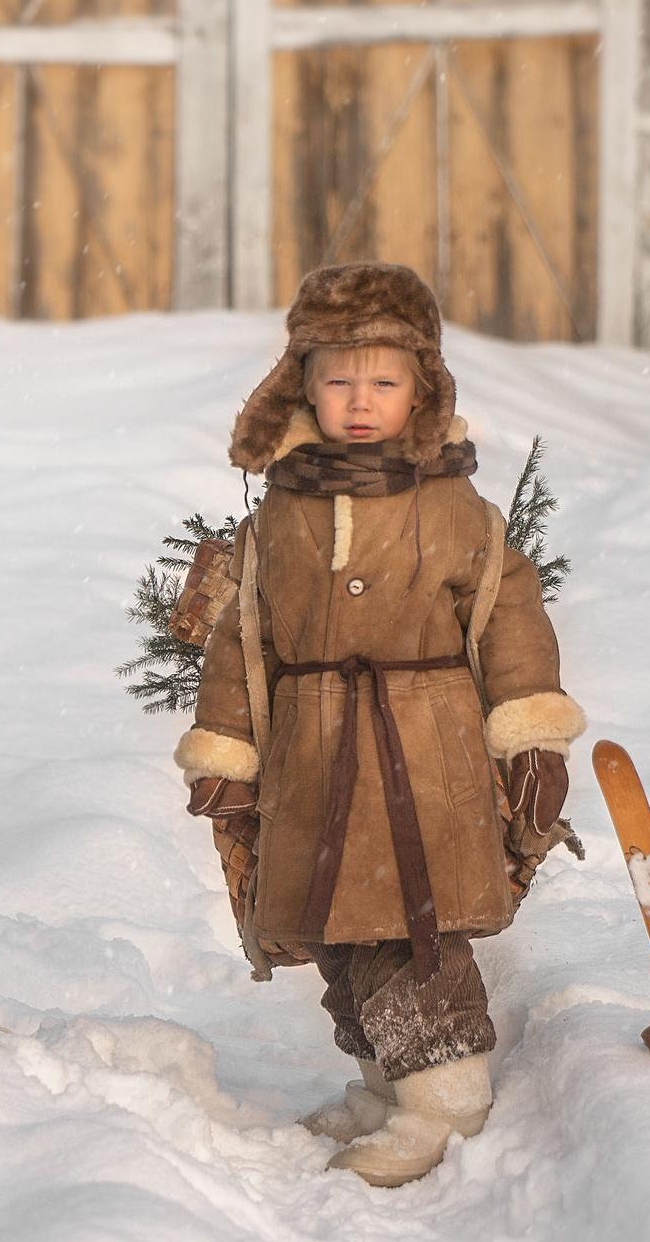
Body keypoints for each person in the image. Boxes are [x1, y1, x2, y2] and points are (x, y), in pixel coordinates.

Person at [174, 262, 583, 1187]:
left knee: (413, 925)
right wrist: (227, 750)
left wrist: (530, 734)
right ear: (301, 383)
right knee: (341, 926)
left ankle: (445, 1103)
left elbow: (509, 613)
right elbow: (244, 639)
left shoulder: (453, 508)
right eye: (338, 378)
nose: (361, 401)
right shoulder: (278, 513)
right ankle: (382, 1081)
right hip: (315, 755)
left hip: (421, 748)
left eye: (385, 380)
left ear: (423, 387)